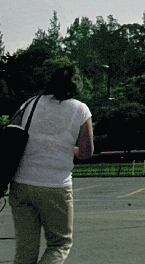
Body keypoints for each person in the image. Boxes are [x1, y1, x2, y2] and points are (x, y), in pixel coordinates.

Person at [9, 61, 93, 264]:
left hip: (21, 181)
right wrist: (67, 149)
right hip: (55, 185)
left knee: (25, 249)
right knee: (59, 243)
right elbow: (86, 152)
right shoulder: (81, 110)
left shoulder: (30, 103)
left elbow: (11, 133)